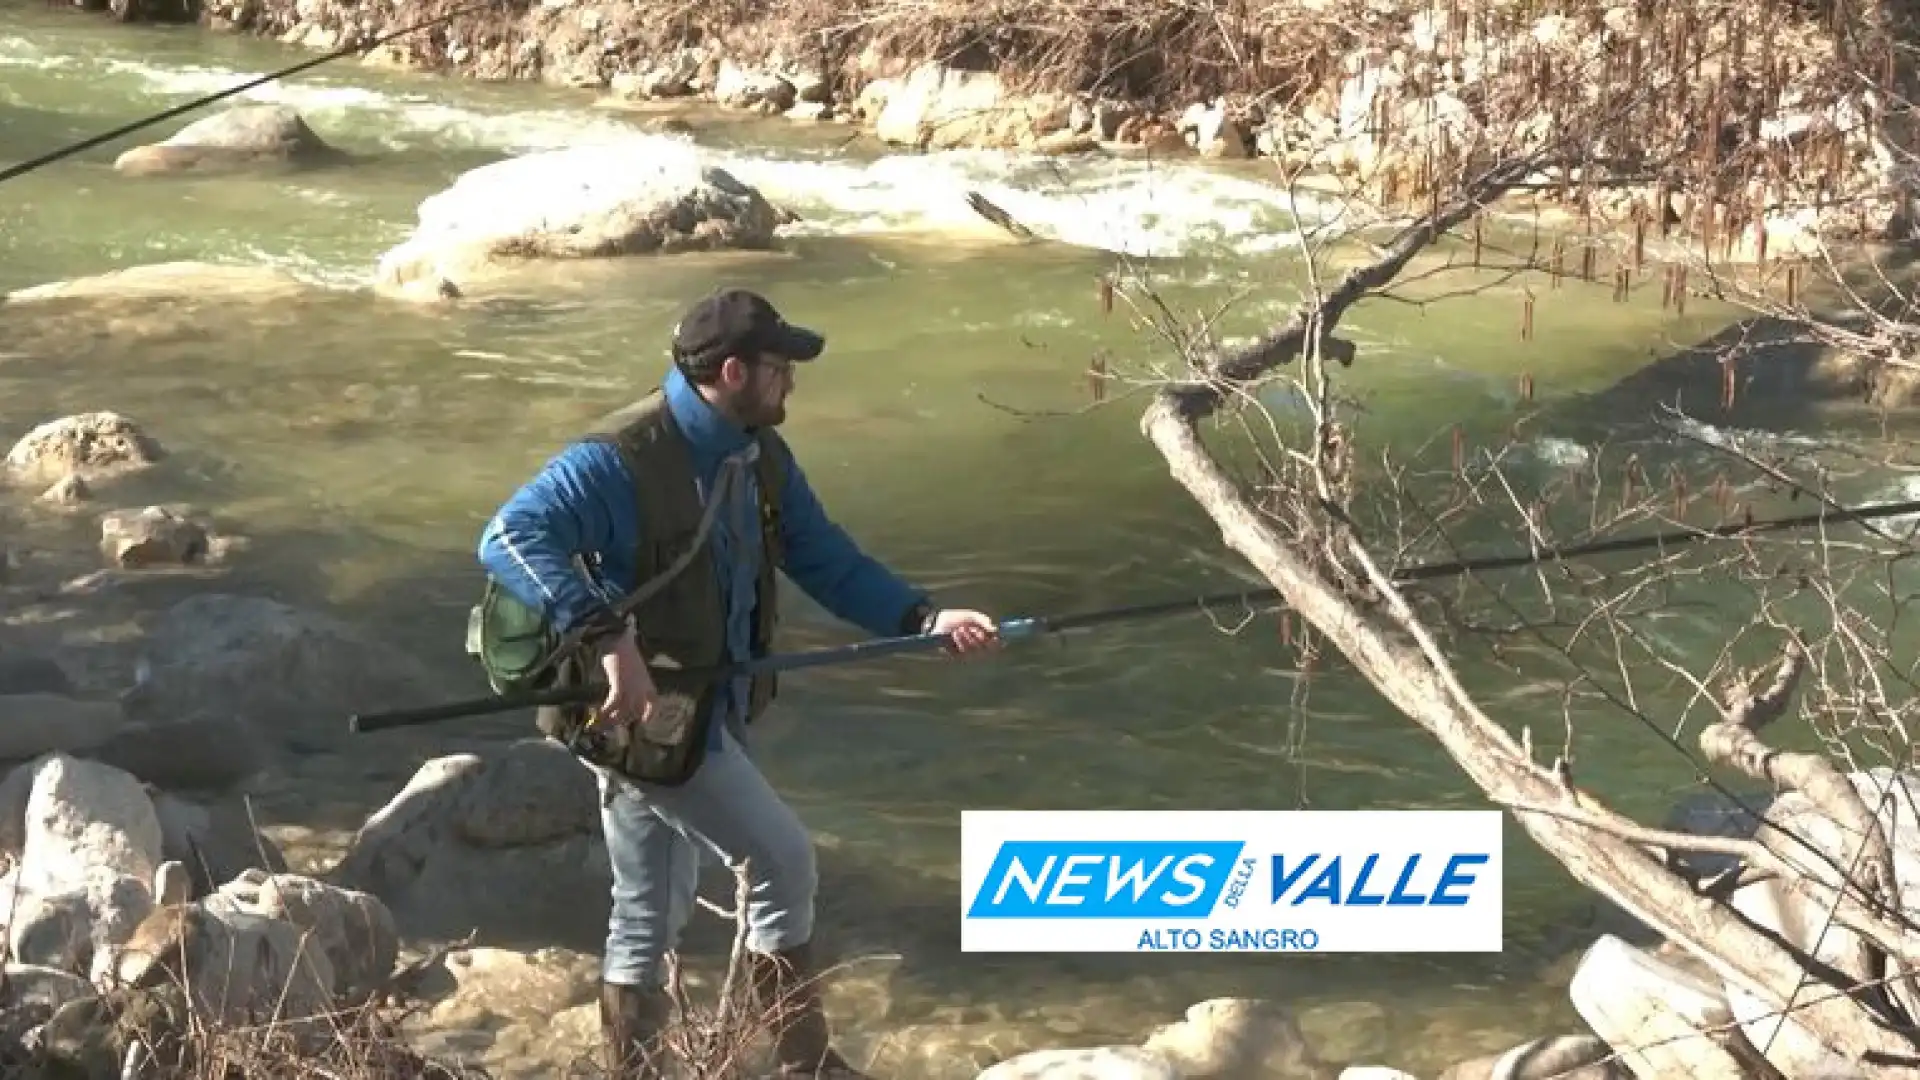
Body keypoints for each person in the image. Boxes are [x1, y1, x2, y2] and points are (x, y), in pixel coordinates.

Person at [474, 287, 1000, 1079]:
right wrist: (608, 635)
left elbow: (823, 556)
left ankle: (638, 1068)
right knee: (783, 864)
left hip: (700, 712)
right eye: (780, 368)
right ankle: (803, 1063)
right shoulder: (616, 460)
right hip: (637, 718)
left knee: (648, 906)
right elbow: (509, 534)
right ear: (732, 371)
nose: (792, 382)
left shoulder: (758, 454)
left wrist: (919, 617)